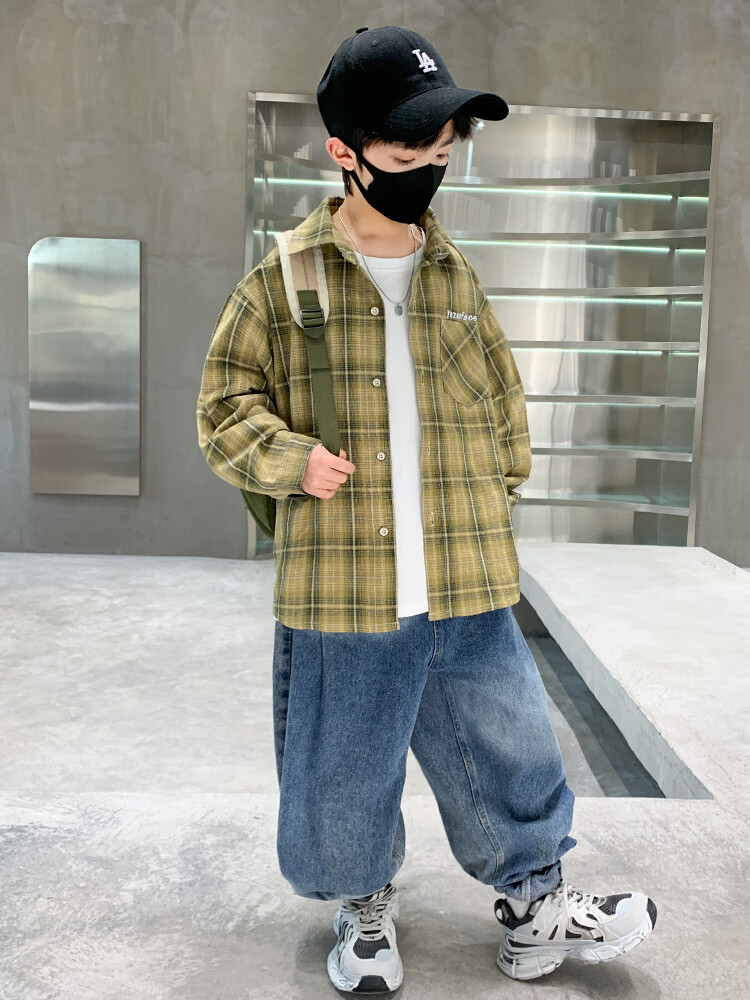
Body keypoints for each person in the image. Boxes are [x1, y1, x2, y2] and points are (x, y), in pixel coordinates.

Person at [196, 24, 657, 992]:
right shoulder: (283, 280)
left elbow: (502, 399)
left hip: (465, 574)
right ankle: (363, 906)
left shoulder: (454, 275)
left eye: (443, 151)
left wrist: (496, 489)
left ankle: (536, 904)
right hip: (346, 586)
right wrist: (291, 458)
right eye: (408, 155)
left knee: (511, 745)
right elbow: (223, 410)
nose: (430, 170)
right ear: (345, 153)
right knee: (344, 771)